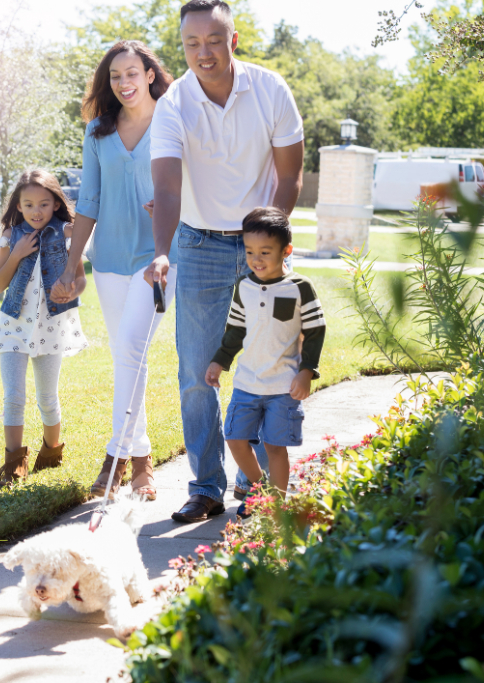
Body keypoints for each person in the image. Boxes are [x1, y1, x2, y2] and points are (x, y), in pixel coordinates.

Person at [143, 0, 306, 523]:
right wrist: (162, 251)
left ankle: (254, 488)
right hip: (199, 243)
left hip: (260, 242)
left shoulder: (270, 90)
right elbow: (166, 188)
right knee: (196, 372)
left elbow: (290, 176)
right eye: (192, 44)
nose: (203, 53)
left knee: (263, 370)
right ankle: (206, 488)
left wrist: (270, 243)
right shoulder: (173, 105)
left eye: (213, 41)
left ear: (232, 39)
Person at [51, 41, 179, 500]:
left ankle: (115, 458)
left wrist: (172, 205)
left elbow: (194, 183)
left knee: (130, 347)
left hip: (161, 258)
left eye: (131, 73)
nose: (124, 83)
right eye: (115, 77)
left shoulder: (173, 119)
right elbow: (89, 201)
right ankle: (141, 460)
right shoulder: (97, 132)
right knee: (129, 356)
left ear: (149, 74)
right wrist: (73, 264)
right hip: (108, 260)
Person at [205, 207, 325, 518]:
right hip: (248, 382)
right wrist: (220, 361)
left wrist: (306, 372)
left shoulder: (300, 287)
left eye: (265, 252)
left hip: (283, 386)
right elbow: (235, 330)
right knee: (234, 437)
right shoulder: (243, 286)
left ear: (287, 251)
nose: (256, 259)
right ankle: (262, 493)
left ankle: (278, 506)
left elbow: (315, 331)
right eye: (250, 251)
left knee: (274, 447)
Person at [0, 169, 88, 487]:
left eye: (43, 204)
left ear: (56, 204)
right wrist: (15, 255)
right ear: (18, 206)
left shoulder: (67, 235)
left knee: (47, 396)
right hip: (13, 326)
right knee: (14, 397)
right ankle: (14, 463)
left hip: (51, 327)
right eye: (28, 205)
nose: (36, 211)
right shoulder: (11, 237)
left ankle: (52, 452)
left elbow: (80, 278)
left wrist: (73, 289)